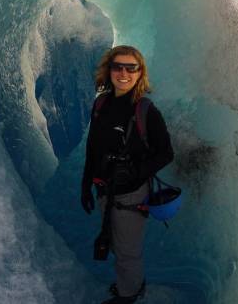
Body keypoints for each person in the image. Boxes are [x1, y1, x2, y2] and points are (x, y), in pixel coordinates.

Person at [80, 45, 174, 304]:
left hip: (131, 194)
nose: (124, 73)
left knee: (127, 251)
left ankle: (129, 294)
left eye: (131, 67)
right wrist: (86, 184)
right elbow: (92, 148)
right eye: (117, 66)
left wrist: (134, 171)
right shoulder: (101, 104)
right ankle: (130, 282)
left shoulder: (145, 110)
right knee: (116, 244)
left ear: (139, 72)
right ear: (108, 70)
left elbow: (166, 153)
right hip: (104, 189)